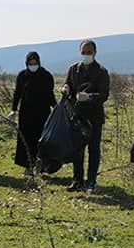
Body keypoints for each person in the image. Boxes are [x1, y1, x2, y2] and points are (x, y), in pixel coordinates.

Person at [61, 39, 110, 193]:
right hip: (77, 115)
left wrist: (89, 97)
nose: (86, 55)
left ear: (95, 53)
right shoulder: (73, 69)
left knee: (93, 149)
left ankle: (91, 182)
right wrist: (65, 89)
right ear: (79, 52)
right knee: (77, 149)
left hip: (94, 116)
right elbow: (67, 83)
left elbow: (104, 95)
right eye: (83, 52)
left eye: (89, 52)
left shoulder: (102, 71)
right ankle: (77, 181)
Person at [8, 51, 57, 175]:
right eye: (30, 63)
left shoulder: (46, 76)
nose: (33, 65)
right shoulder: (22, 76)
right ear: (27, 63)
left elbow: (50, 95)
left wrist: (57, 109)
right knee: (26, 140)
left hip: (42, 113)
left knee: (41, 141)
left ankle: (41, 166)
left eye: (35, 63)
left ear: (39, 63)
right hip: (26, 114)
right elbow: (17, 94)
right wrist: (13, 110)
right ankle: (28, 166)